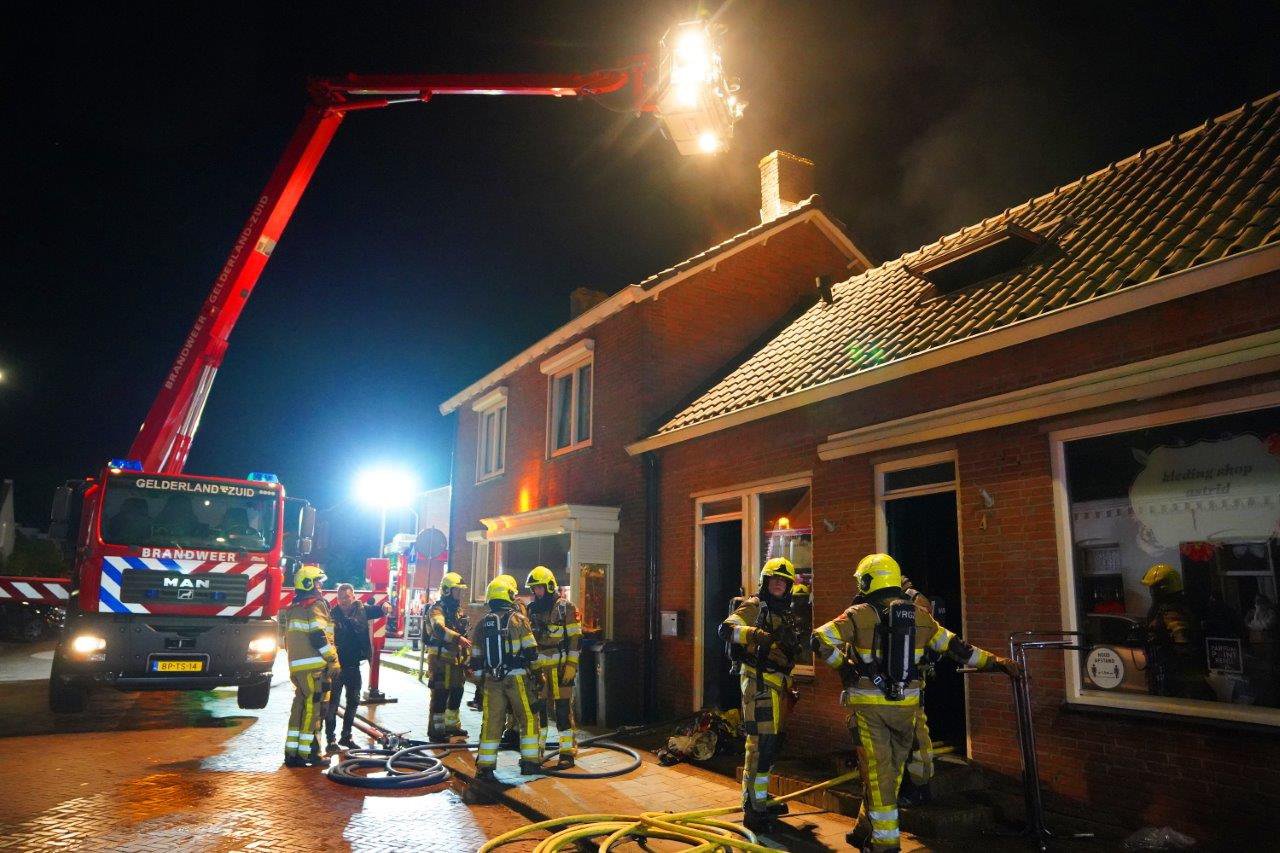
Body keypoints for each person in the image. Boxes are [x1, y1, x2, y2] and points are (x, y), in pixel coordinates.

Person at [813, 554, 1018, 852]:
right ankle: (864, 828)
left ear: (869, 581)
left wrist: (844, 666)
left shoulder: (857, 614)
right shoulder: (920, 617)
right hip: (906, 710)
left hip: (869, 710)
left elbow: (818, 639)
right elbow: (959, 649)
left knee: (878, 774)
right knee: (891, 774)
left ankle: (885, 843)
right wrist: (997, 662)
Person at [719, 557, 804, 833]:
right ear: (765, 582)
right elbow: (726, 629)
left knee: (772, 744)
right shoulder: (755, 606)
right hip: (758, 683)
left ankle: (760, 797)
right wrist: (754, 634)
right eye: (774, 579)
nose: (779, 583)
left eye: (784, 581)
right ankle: (753, 808)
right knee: (761, 744)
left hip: (778, 684)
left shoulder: (785, 611)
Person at [468, 578, 541, 788]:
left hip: (492, 680)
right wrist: (538, 675)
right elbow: (531, 651)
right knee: (528, 717)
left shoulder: (482, 624)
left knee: (492, 722)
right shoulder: (519, 620)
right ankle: (530, 763)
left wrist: (480, 685)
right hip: (517, 678)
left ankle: (485, 767)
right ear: (509, 595)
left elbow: (476, 658)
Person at [525, 566, 583, 767]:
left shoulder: (566, 608)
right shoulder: (531, 610)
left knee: (562, 711)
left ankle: (567, 752)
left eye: (539, 588)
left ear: (549, 586)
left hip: (561, 669)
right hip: (539, 671)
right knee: (539, 711)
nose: (537, 592)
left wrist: (572, 665)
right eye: (534, 589)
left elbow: (575, 639)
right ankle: (537, 752)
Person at [283, 564, 338, 767]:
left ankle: (292, 753)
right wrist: (332, 659)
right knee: (312, 709)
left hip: (298, 667)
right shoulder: (315, 605)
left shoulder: (295, 608)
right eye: (318, 583)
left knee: (299, 706)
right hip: (314, 667)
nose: (320, 587)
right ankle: (307, 755)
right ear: (309, 584)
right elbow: (318, 636)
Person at [324, 582, 390, 751]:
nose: (343, 600)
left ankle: (346, 737)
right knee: (332, 704)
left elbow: (380, 609)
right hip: (336, 668)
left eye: (347, 597)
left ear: (353, 597)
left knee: (353, 702)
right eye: (340, 597)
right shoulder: (331, 615)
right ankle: (331, 740)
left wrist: (386, 606)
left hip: (353, 666)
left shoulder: (362, 611)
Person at [1142, 563, 1202, 698]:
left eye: (1153, 588)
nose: (1151, 592)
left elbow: (1183, 643)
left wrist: (1158, 640)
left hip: (1172, 674)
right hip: (1164, 670)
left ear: (1162, 589)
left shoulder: (1172, 612)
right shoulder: (1167, 609)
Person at [426, 572, 472, 741]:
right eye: (456, 590)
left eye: (460, 591)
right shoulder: (437, 609)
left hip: (456, 661)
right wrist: (458, 638)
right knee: (440, 695)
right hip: (440, 659)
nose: (459, 594)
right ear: (446, 590)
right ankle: (436, 732)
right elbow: (439, 629)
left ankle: (452, 726)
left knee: (457, 692)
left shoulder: (457, 611)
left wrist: (467, 661)